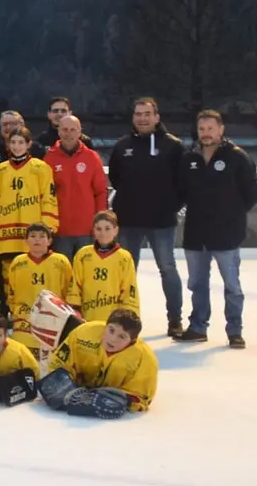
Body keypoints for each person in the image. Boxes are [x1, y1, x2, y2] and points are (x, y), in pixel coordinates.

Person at [177, 110, 256, 348]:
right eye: (202, 129)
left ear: (221, 129)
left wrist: (230, 213)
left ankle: (234, 331)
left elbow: (250, 193)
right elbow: (181, 191)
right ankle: (198, 327)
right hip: (196, 232)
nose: (206, 133)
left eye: (211, 128)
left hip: (226, 233)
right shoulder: (189, 159)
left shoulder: (236, 157)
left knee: (232, 286)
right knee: (197, 284)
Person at [108, 97, 186, 337]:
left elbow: (183, 181)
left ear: (156, 117)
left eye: (147, 114)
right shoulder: (123, 146)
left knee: (167, 268)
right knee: (127, 271)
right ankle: (124, 320)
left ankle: (175, 318)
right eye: (138, 114)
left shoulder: (173, 146)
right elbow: (115, 178)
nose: (142, 118)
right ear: (133, 117)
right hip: (129, 220)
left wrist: (170, 205)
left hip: (161, 221)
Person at [39, 308, 158, 417]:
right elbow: (58, 363)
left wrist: (124, 400)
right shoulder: (83, 333)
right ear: (105, 325)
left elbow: (141, 398)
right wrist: (60, 382)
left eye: (122, 336)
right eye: (111, 330)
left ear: (133, 341)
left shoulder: (145, 359)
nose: (113, 339)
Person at [0, 128, 57, 269]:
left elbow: (49, 198)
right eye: (13, 142)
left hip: (33, 232)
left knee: (33, 269)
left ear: (28, 144)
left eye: (20, 142)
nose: (16, 146)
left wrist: (48, 226)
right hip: (7, 232)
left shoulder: (41, 168)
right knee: (9, 272)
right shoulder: (0, 170)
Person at [5, 224, 79, 353]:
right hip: (24, 324)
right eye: (32, 236)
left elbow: (70, 290)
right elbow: (11, 294)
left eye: (42, 236)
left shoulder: (61, 261)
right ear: (26, 241)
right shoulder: (17, 263)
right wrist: (23, 313)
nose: (37, 240)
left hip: (55, 323)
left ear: (49, 241)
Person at [44, 115, 108, 261]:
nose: (69, 133)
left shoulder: (91, 157)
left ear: (80, 132)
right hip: (60, 230)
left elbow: (100, 191)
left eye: (73, 129)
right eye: (65, 129)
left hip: (86, 229)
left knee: (85, 274)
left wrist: (100, 222)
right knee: (62, 275)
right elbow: (45, 194)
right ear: (59, 131)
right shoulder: (49, 159)